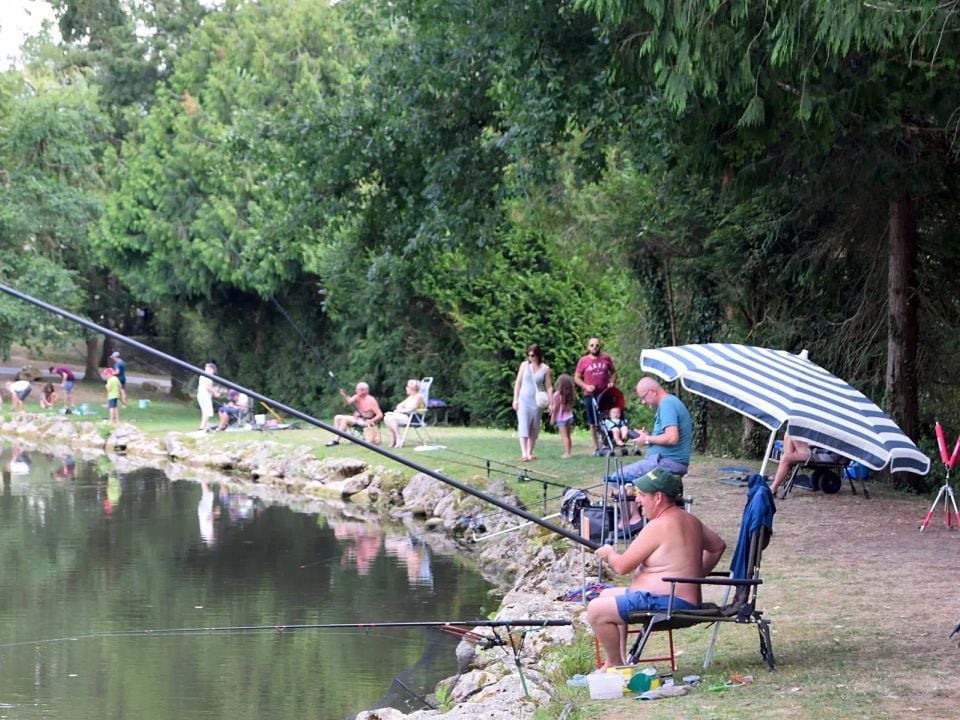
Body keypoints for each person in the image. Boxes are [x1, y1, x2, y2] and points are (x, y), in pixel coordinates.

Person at [587, 468, 726, 669]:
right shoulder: (690, 519)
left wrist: (609, 553)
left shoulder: (658, 525)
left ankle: (614, 665)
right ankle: (620, 661)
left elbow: (622, 566)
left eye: (642, 495)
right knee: (605, 596)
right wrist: (695, 575)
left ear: (658, 497)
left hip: (667, 603)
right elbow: (717, 546)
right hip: (674, 599)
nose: (637, 500)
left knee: (596, 610)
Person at [614, 377, 693, 482]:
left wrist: (647, 439)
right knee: (624, 482)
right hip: (665, 460)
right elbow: (667, 436)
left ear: (652, 392)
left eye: (643, 397)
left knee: (616, 478)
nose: (643, 402)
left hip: (667, 462)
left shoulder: (667, 404)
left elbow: (672, 438)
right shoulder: (669, 403)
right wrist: (648, 436)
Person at [574, 337, 617, 454]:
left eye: (597, 345)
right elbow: (577, 377)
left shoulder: (606, 358)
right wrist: (586, 386)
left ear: (600, 346)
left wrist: (612, 382)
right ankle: (596, 447)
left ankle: (607, 444)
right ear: (588, 347)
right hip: (590, 394)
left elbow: (613, 372)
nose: (594, 347)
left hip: (604, 393)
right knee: (593, 422)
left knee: (606, 419)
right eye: (592, 345)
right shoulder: (583, 361)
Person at [512, 343, 553, 462]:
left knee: (534, 427)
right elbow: (518, 383)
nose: (531, 358)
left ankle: (530, 452)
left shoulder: (545, 368)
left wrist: (551, 402)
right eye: (529, 355)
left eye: (533, 355)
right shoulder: (524, 366)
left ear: (538, 355)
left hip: (537, 401)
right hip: (523, 399)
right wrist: (515, 399)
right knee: (523, 424)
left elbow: (549, 386)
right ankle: (524, 453)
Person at [327, 382, 383, 446]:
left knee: (345, 419)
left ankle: (336, 440)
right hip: (356, 419)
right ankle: (343, 434)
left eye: (358, 389)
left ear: (365, 390)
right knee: (337, 417)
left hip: (365, 421)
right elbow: (349, 402)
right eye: (357, 389)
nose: (356, 391)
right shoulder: (357, 396)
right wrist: (344, 395)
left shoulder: (371, 400)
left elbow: (380, 415)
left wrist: (371, 420)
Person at [383, 379, 426, 448]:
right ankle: (393, 438)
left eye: (407, 387)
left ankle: (398, 438)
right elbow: (399, 405)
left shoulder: (418, 396)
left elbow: (412, 408)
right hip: (407, 415)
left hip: (414, 417)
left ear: (413, 388)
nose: (406, 388)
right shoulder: (410, 397)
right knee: (386, 417)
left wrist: (401, 410)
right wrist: (402, 409)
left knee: (391, 418)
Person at [550, 373, 576, 458]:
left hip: (561, 418)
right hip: (569, 417)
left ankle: (567, 453)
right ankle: (569, 451)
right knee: (568, 436)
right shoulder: (569, 395)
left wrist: (553, 418)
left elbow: (556, 408)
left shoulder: (557, 395)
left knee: (564, 437)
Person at [197, 362, 219, 431]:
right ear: (211, 369)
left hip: (200, 395)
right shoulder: (208, 376)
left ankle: (203, 426)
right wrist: (215, 393)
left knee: (205, 411)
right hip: (205, 396)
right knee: (208, 411)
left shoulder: (202, 375)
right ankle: (202, 427)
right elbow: (208, 387)